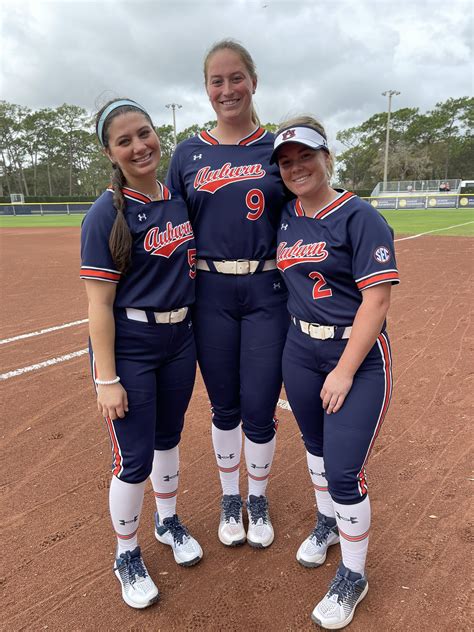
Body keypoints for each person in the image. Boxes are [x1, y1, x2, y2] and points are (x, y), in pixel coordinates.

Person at [271, 116, 399, 629]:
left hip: (357, 357)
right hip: (300, 350)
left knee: (345, 470)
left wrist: (344, 371)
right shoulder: (284, 215)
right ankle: (326, 522)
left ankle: (353, 574)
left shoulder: (359, 215)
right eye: (286, 160)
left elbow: (378, 299)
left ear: (327, 157)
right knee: (316, 448)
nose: (297, 166)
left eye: (306, 155)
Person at [166, 40, 289, 548]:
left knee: (260, 404)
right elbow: (167, 224)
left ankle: (256, 497)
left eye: (236, 77)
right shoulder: (188, 153)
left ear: (253, 82)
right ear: (206, 89)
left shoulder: (278, 147)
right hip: (211, 290)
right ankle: (229, 497)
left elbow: (303, 215)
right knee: (224, 406)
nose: (227, 89)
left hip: (267, 289)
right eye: (217, 81)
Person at [80, 98, 202, 610]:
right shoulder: (105, 213)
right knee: (133, 459)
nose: (139, 146)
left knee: (169, 439)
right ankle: (126, 553)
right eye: (124, 140)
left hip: (180, 341)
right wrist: (106, 378)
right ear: (111, 152)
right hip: (131, 346)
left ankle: (167, 519)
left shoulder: (179, 199)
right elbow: (98, 304)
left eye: (144, 133)